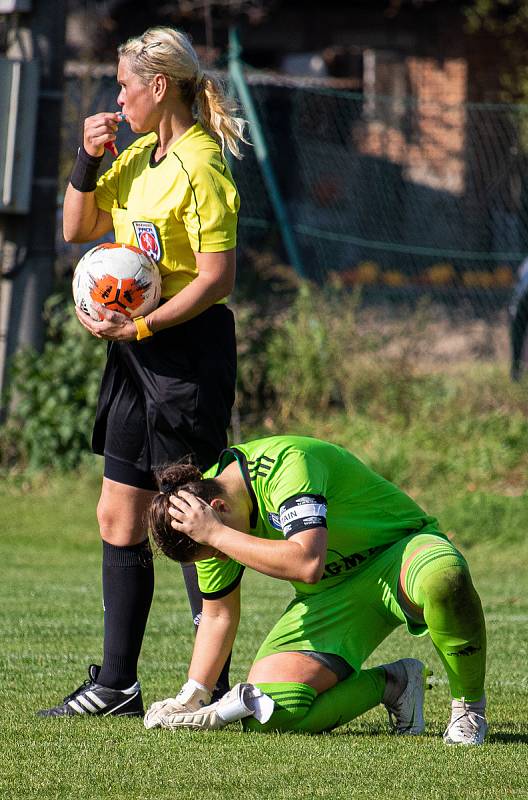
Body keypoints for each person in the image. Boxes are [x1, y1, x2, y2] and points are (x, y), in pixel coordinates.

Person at [38, 26, 246, 717]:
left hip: (186, 353)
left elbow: (216, 279)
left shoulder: (200, 164)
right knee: (117, 513)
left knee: (187, 514)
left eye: (125, 84)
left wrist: (145, 324)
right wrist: (85, 156)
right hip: (133, 354)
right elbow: (78, 227)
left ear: (159, 87)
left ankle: (208, 687)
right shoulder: (136, 156)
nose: (117, 96)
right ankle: (116, 684)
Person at [145, 434, 488, 745]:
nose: (222, 554)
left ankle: (469, 706)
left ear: (219, 509)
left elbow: (308, 563)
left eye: (218, 548)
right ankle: (395, 683)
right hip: (328, 598)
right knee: (267, 715)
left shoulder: (286, 465)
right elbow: (218, 613)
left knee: (444, 575)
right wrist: (194, 694)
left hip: (397, 554)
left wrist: (218, 537)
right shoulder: (203, 519)